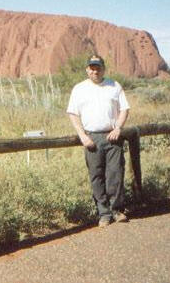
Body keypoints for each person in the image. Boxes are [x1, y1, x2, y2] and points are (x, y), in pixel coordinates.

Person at [66, 54, 130, 227]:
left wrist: (118, 128)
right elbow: (73, 113)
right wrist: (82, 135)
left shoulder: (114, 85)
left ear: (104, 68)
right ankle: (104, 214)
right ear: (87, 69)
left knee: (115, 174)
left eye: (98, 67)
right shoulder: (79, 89)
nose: (95, 70)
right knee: (96, 176)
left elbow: (124, 109)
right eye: (92, 67)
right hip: (91, 138)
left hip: (112, 136)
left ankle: (116, 210)